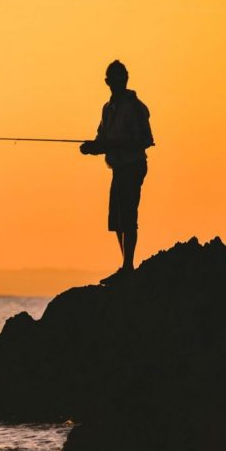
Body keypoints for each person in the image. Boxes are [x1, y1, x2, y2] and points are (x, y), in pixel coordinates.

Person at [80, 60, 154, 284]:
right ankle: (126, 266)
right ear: (107, 82)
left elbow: (145, 140)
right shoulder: (107, 109)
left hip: (133, 166)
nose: (117, 83)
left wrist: (110, 145)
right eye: (113, 79)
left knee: (128, 217)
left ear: (126, 79)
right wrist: (92, 147)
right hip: (118, 168)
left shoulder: (136, 107)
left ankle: (128, 268)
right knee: (117, 220)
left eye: (120, 78)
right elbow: (102, 138)